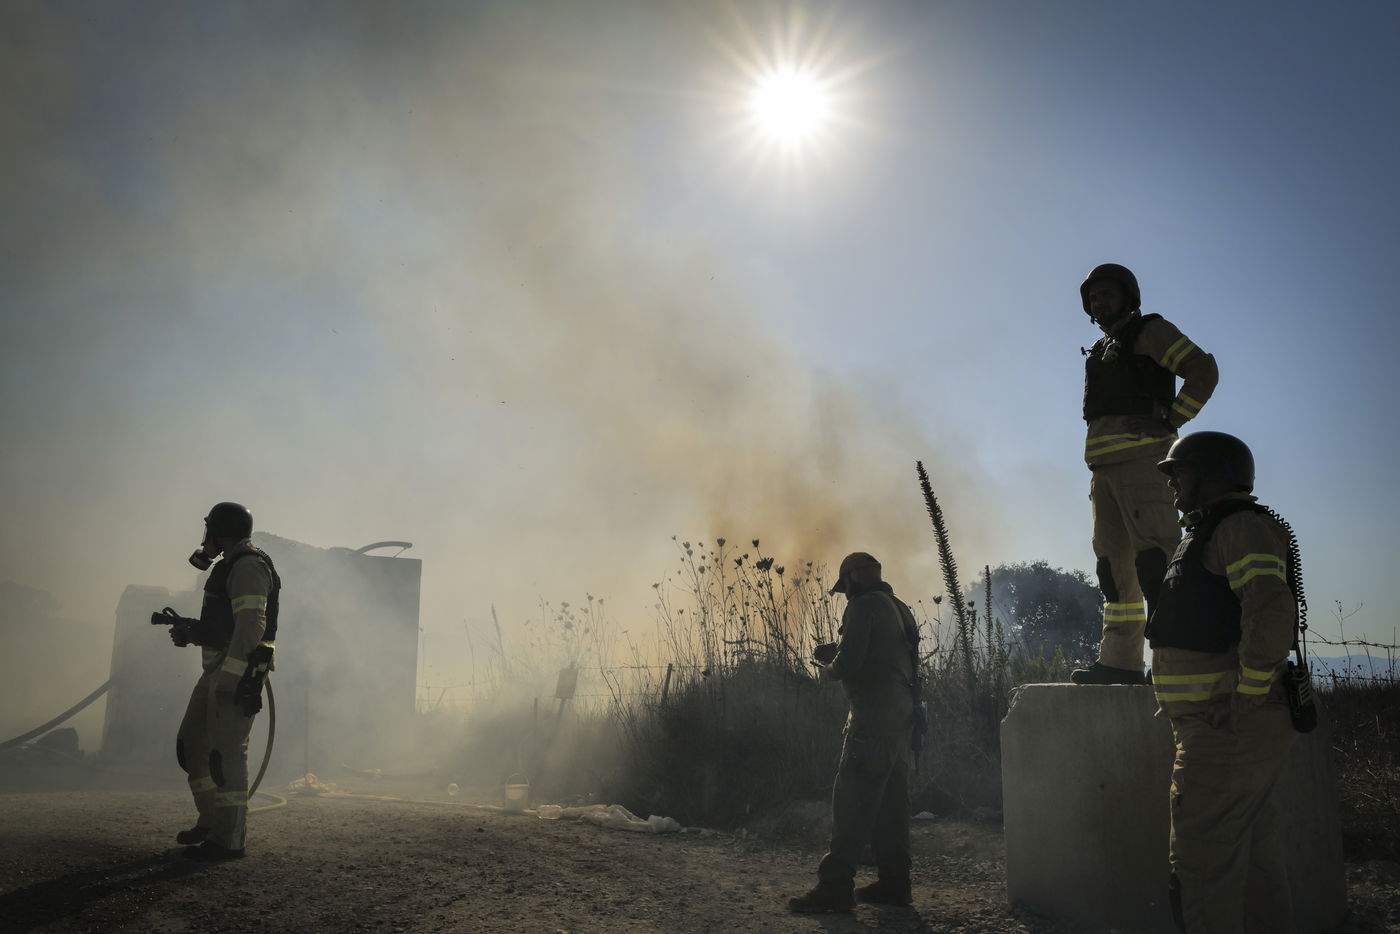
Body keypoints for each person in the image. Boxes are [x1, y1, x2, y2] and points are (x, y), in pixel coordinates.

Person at [1147, 432, 1300, 932]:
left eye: (1180, 473)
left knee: (1202, 868)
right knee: (1255, 869)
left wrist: (1245, 698)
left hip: (1227, 730)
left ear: (1212, 474)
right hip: (1227, 729)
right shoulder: (1214, 531)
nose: (1173, 485)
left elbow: (1272, 609)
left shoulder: (1237, 529)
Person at [1072, 263, 1219, 685]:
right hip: (1103, 474)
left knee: (1157, 566)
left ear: (1128, 296)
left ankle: (1173, 661)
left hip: (1143, 469)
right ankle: (1120, 663)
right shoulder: (1104, 348)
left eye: (1107, 293)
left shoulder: (1150, 331)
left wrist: (1173, 419)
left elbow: (1202, 369)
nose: (1100, 301)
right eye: (1093, 296)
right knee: (1114, 575)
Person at [789, 552, 921, 914]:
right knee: (892, 804)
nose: (844, 593)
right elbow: (887, 653)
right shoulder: (898, 606)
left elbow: (850, 665)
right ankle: (896, 883)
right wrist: (841, 648)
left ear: (851, 580)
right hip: (901, 717)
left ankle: (835, 886)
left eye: (844, 586)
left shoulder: (862, 607)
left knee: (852, 799)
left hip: (872, 719)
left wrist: (828, 667)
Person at [159, 502, 281, 860]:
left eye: (209, 529)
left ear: (219, 531)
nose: (205, 537)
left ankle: (228, 841)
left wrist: (231, 679)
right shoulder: (230, 565)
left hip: (235, 675)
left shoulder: (248, 566)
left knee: (226, 756)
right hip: (216, 672)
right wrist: (192, 633)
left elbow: (251, 627)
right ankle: (210, 822)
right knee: (192, 745)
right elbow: (223, 629)